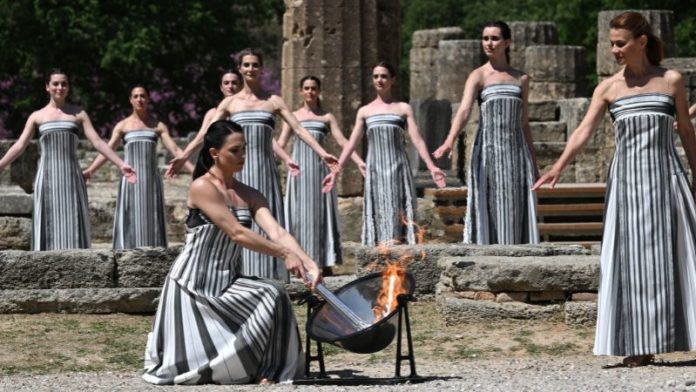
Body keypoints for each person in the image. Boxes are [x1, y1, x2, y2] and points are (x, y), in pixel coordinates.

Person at [533, 11, 696, 367]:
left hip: (667, 179)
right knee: (631, 265)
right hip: (626, 186)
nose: (614, 50)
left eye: (620, 43)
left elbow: (686, 130)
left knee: (681, 258)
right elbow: (583, 131)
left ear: (641, 42)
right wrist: (558, 165)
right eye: (611, 44)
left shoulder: (671, 81)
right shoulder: (608, 88)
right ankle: (638, 344)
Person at [143, 120, 320, 385]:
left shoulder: (248, 193)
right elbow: (236, 232)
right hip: (193, 287)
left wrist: (309, 263)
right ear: (214, 153)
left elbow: (277, 232)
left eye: (244, 149)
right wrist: (284, 255)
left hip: (228, 281)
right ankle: (236, 364)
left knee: (276, 294)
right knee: (193, 368)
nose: (243, 156)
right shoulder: (202, 187)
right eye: (235, 151)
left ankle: (270, 371)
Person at [167, 48, 337, 281]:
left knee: (271, 225)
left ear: (262, 69)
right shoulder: (229, 103)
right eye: (246, 65)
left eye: (255, 65)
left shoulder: (274, 102)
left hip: (266, 172)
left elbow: (298, 128)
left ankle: (274, 277)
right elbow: (208, 135)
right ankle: (244, 276)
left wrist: (323, 153)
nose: (250, 69)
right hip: (237, 173)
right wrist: (184, 156)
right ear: (240, 69)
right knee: (241, 224)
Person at [0, 69, 135, 250]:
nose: (60, 87)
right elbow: (19, 146)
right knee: (47, 223)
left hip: (72, 178)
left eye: (64, 84)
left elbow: (97, 142)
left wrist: (121, 164)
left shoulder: (78, 114)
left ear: (68, 88)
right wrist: (1, 164)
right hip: (46, 179)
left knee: (73, 222)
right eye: (55, 83)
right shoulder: (37, 116)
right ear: (47, 87)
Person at [433, 21, 539, 245]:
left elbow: (524, 122)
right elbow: (463, 111)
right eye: (485, 38)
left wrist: (534, 162)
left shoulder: (521, 79)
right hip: (488, 152)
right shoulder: (478, 76)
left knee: (515, 205)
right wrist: (449, 140)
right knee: (488, 204)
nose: (488, 43)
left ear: (507, 42)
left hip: (515, 153)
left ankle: (515, 259)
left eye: (494, 38)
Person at [323, 62, 446, 246]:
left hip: (398, 166)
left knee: (398, 208)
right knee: (379, 207)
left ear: (392, 80)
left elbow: (417, 139)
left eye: (384, 76)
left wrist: (432, 166)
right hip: (375, 168)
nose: (379, 80)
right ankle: (380, 251)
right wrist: (335, 171)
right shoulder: (364, 111)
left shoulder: (403, 108)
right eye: (376, 76)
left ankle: (400, 249)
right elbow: (351, 144)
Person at [83, 85, 193, 249]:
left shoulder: (158, 126)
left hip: (151, 181)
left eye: (143, 96)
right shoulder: (122, 126)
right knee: (130, 218)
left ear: (148, 99)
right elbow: (107, 150)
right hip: (130, 180)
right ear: (130, 100)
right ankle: (126, 253)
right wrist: (91, 170)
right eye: (135, 96)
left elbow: (176, 150)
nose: (139, 99)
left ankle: (154, 255)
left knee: (151, 218)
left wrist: (195, 171)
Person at [278, 75, 366, 275]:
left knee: (321, 216)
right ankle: (298, 261)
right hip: (299, 174)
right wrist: (283, 158)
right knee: (298, 216)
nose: (309, 92)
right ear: (300, 91)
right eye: (306, 88)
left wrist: (360, 162)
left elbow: (344, 142)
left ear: (319, 91)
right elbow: (280, 144)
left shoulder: (326, 117)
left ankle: (323, 262)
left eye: (313, 88)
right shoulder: (292, 116)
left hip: (320, 174)